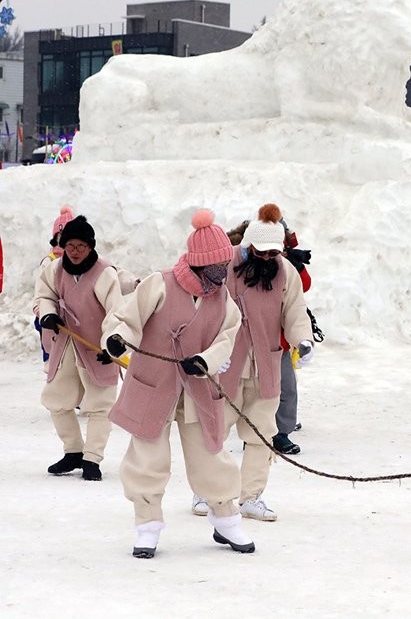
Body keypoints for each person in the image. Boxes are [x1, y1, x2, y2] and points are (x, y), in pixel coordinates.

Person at [102, 209, 254, 558]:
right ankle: (147, 525)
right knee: (146, 456)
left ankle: (226, 518)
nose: (222, 276)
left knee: (211, 453)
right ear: (200, 264)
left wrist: (205, 361)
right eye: (216, 269)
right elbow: (128, 317)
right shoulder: (161, 283)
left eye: (224, 268)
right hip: (153, 383)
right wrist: (117, 338)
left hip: (198, 387)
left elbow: (227, 337)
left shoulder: (223, 298)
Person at [197, 203, 314, 522]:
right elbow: (205, 309)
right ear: (248, 245)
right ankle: (206, 491)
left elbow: (294, 310)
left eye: (271, 253)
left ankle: (251, 497)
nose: (266, 258)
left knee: (262, 433)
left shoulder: (284, 270)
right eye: (260, 252)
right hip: (227, 364)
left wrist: (302, 339)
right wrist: (208, 351)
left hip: (266, 364)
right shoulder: (224, 264)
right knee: (215, 430)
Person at [33, 215, 124, 481]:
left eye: (80, 246)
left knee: (100, 405)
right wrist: (48, 313)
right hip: (68, 343)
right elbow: (44, 294)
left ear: (91, 247)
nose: (74, 252)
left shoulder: (105, 273)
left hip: (97, 346)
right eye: (69, 245)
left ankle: (92, 458)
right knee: (56, 399)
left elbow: (117, 312)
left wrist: (113, 345)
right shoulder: (55, 269)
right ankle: (73, 450)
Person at [275, 217, 313, 455]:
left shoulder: (289, 261)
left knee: (286, 388)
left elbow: (304, 286)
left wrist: (296, 265)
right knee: (254, 389)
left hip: (280, 340)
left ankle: (282, 431)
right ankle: (254, 430)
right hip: (249, 342)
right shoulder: (244, 262)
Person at [33, 205, 76, 365]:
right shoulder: (49, 262)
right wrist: (43, 312)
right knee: (54, 362)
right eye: (60, 235)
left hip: (71, 319)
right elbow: (41, 292)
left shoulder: (77, 261)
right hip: (49, 319)